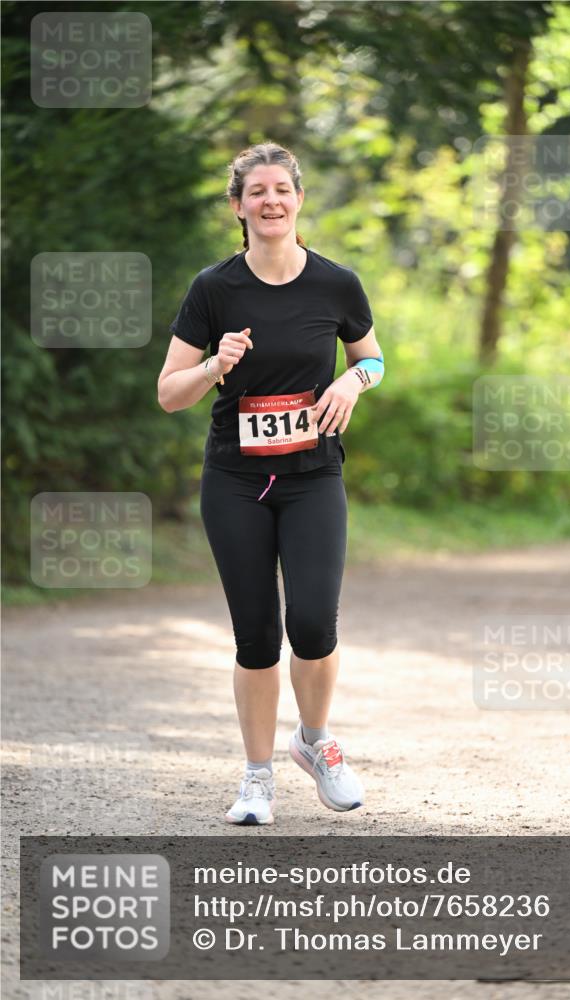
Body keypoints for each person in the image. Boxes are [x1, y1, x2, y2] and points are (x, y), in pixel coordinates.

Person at [157, 142, 384, 825]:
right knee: (255, 636)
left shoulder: (336, 284)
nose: (270, 201)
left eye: (281, 189)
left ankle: (314, 744)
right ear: (238, 206)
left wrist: (353, 378)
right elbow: (169, 393)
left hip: (313, 476)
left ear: (298, 199)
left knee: (312, 622)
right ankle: (256, 778)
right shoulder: (214, 289)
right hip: (235, 480)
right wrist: (212, 367)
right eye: (255, 192)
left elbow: (374, 362)